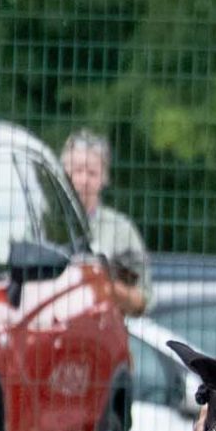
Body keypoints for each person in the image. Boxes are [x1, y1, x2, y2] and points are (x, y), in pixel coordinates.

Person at [62, 128, 150, 317]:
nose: (84, 180)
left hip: (103, 336)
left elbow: (142, 299)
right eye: (77, 171)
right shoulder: (43, 223)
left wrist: (106, 286)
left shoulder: (122, 231)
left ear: (104, 178)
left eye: (92, 173)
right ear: (63, 173)